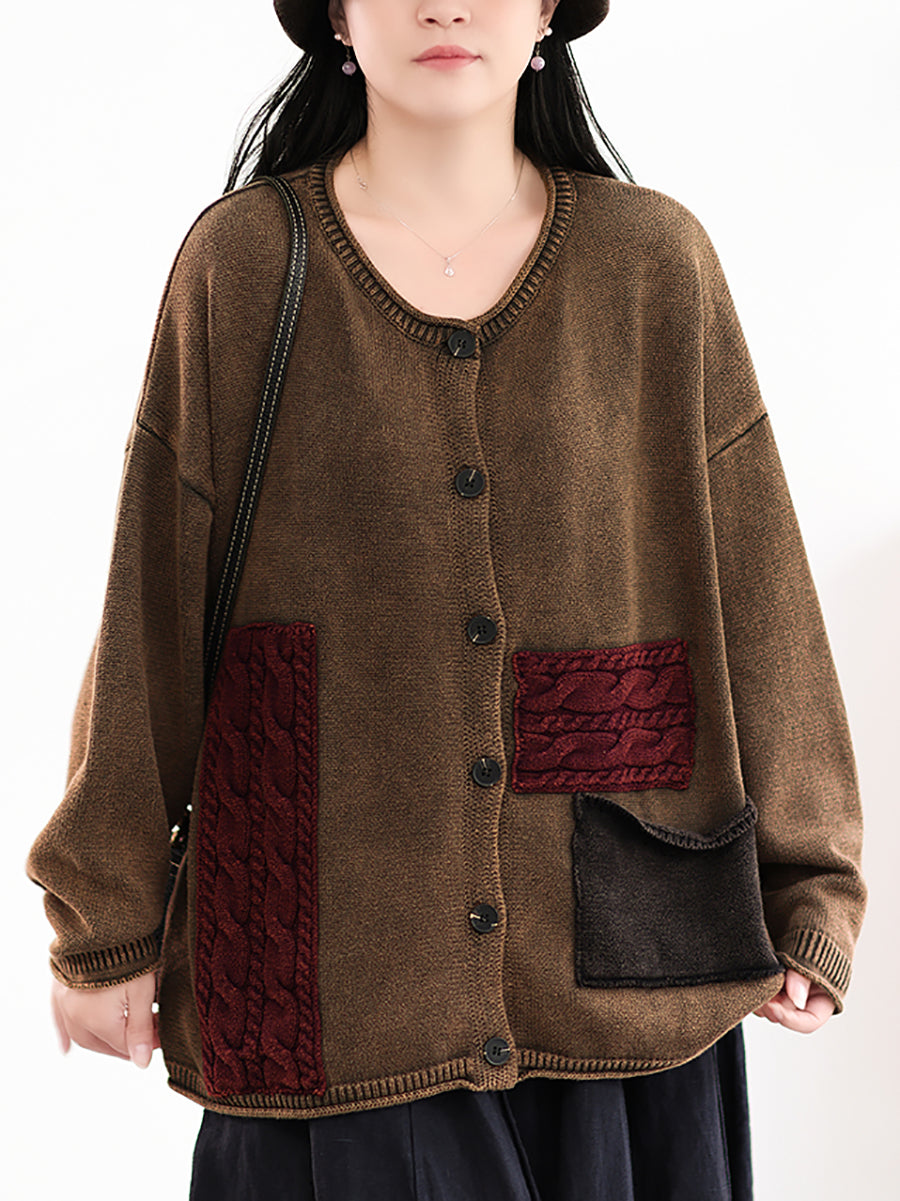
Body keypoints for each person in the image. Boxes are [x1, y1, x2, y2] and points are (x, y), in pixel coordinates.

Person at [26, 2, 867, 1198]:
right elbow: (153, 603)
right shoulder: (245, 263)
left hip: (624, 1001)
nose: (445, 2)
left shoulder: (653, 265)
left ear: (547, 12)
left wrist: (813, 882)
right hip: (331, 991)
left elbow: (759, 580)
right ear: (336, 15)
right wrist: (103, 915)